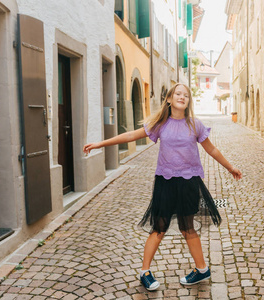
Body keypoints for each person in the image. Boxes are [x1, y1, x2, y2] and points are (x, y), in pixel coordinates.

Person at [83, 83, 242, 291]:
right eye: (178, 93)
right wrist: (99, 144)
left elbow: (211, 149)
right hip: (165, 182)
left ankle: (202, 269)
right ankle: (145, 272)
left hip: (189, 182)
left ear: (188, 102)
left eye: (186, 95)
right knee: (159, 227)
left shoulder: (195, 125)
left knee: (188, 228)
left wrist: (230, 167)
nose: (182, 97)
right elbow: (131, 135)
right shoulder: (160, 124)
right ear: (169, 99)